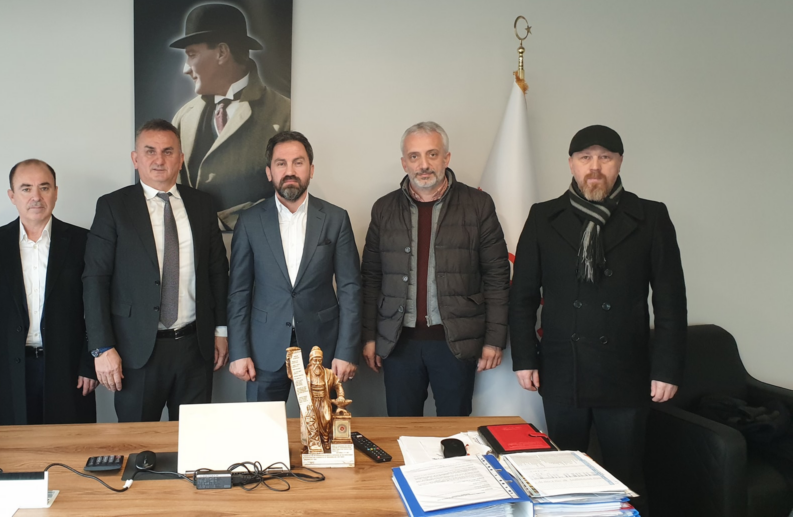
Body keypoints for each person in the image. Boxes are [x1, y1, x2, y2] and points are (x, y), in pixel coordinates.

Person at [509, 125, 687, 508]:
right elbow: (522, 297)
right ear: (571, 163)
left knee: (626, 475)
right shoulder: (543, 217)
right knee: (564, 476)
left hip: (626, 372)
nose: (595, 167)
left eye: (605, 157)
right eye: (585, 157)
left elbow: (671, 301)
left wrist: (667, 368)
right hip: (562, 369)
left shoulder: (651, 216)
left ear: (619, 162)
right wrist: (524, 357)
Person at [83, 119, 229, 422]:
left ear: (181, 159)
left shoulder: (202, 204)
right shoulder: (113, 206)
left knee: (194, 440)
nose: (159, 160)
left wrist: (221, 330)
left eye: (168, 151)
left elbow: (217, 271)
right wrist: (102, 347)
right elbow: (95, 279)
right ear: (135, 159)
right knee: (136, 443)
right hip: (135, 352)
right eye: (150, 151)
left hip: (195, 348)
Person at [361, 122, 511, 416]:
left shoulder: (478, 205)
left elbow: (497, 277)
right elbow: (371, 279)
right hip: (398, 343)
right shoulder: (383, 209)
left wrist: (494, 340)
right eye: (414, 156)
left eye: (432, 154)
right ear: (404, 163)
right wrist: (368, 337)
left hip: (456, 342)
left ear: (446, 158)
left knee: (454, 432)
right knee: (402, 430)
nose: (424, 165)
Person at [228, 131, 362, 403]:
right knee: (263, 427)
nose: (290, 171)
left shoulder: (336, 219)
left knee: (322, 429)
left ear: (311, 169)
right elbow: (238, 292)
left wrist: (346, 351)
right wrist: (239, 351)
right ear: (269, 172)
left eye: (298, 162)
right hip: (264, 350)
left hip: (322, 349)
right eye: (281, 163)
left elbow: (350, 288)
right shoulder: (249, 221)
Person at [0, 159, 97, 425]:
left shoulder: (83, 241)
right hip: (8, 371)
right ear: (12, 196)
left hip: (69, 369)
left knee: (69, 444)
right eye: (26, 188)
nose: (36, 197)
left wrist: (90, 363)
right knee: (15, 446)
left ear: (56, 193)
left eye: (44, 187)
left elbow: (96, 308)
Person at [169, 3, 291, 230]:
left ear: (222, 53)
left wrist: (226, 221)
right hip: (197, 244)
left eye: (192, 55)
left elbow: (289, 190)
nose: (186, 68)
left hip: (257, 241)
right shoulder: (184, 118)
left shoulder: (284, 113)